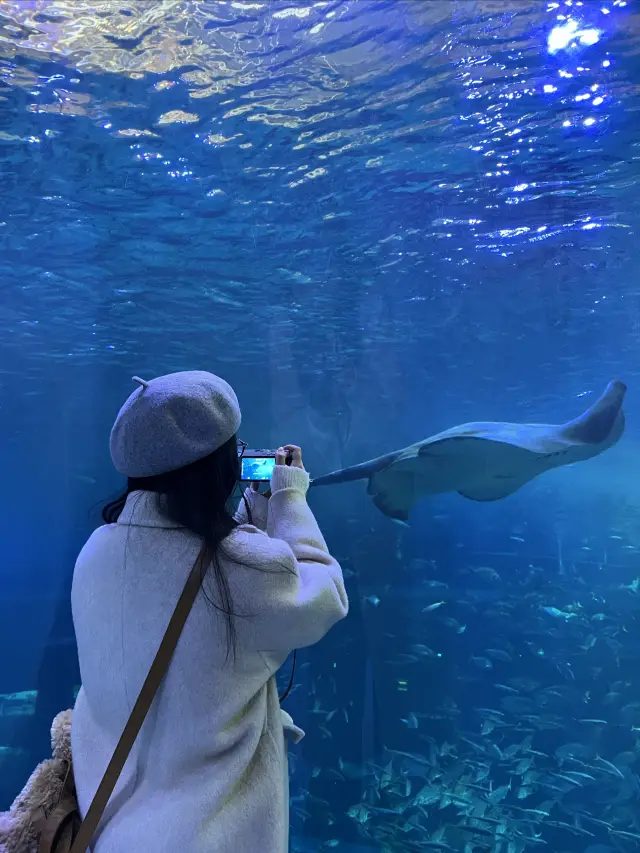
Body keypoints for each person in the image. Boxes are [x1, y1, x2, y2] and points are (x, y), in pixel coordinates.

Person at [70, 370, 349, 853]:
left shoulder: (96, 550)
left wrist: (249, 521)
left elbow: (186, 573)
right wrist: (289, 500)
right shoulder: (241, 568)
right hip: (208, 836)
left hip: (110, 829)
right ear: (218, 463)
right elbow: (322, 597)